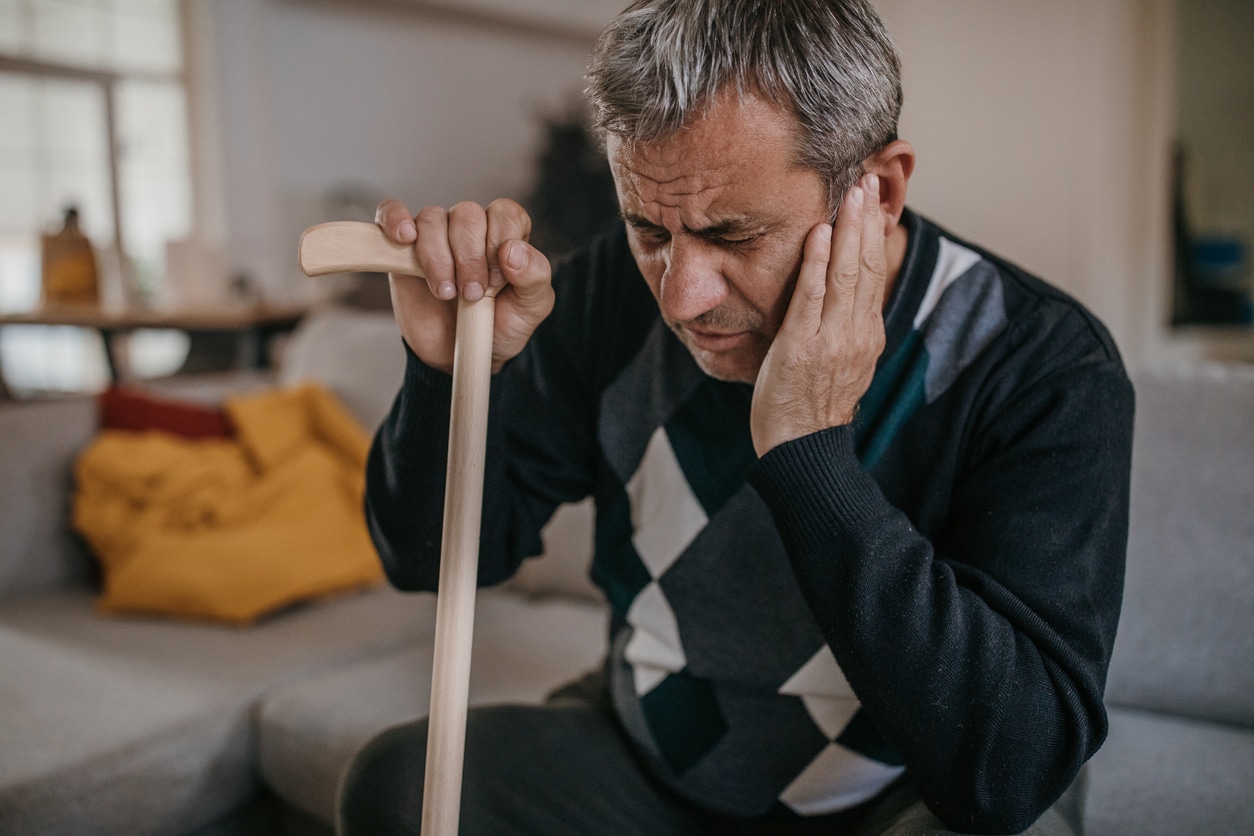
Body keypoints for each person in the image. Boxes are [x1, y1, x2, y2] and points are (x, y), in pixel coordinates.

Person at [339, 1, 1134, 833]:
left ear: (881, 189)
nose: (682, 296)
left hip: (897, 795)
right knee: (397, 784)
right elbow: (427, 559)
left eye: (736, 235)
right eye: (650, 229)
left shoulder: (1043, 362)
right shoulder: (613, 291)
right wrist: (449, 372)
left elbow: (1013, 764)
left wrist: (809, 448)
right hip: (646, 761)